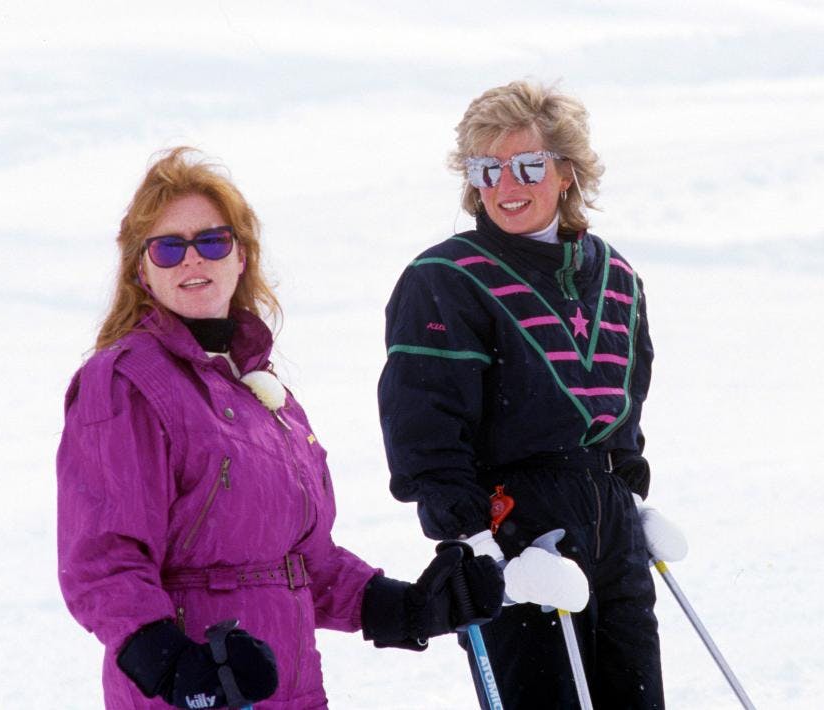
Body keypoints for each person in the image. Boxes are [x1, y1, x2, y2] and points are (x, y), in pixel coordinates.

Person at [56, 147, 503, 709]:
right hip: (196, 694)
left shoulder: (261, 392)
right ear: (141, 269)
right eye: (168, 248)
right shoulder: (126, 382)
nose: (192, 260)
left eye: (212, 242)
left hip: (291, 689)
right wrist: (171, 664)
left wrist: (406, 606)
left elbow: (303, 565)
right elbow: (104, 562)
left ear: (241, 255)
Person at [377, 80, 686, 709]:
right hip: (515, 527)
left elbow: (628, 403)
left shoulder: (616, 276)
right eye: (486, 169)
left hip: (610, 526)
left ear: (567, 171)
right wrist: (483, 552)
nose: (505, 185)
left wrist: (627, 495)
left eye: (527, 165)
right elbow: (424, 427)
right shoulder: (445, 278)